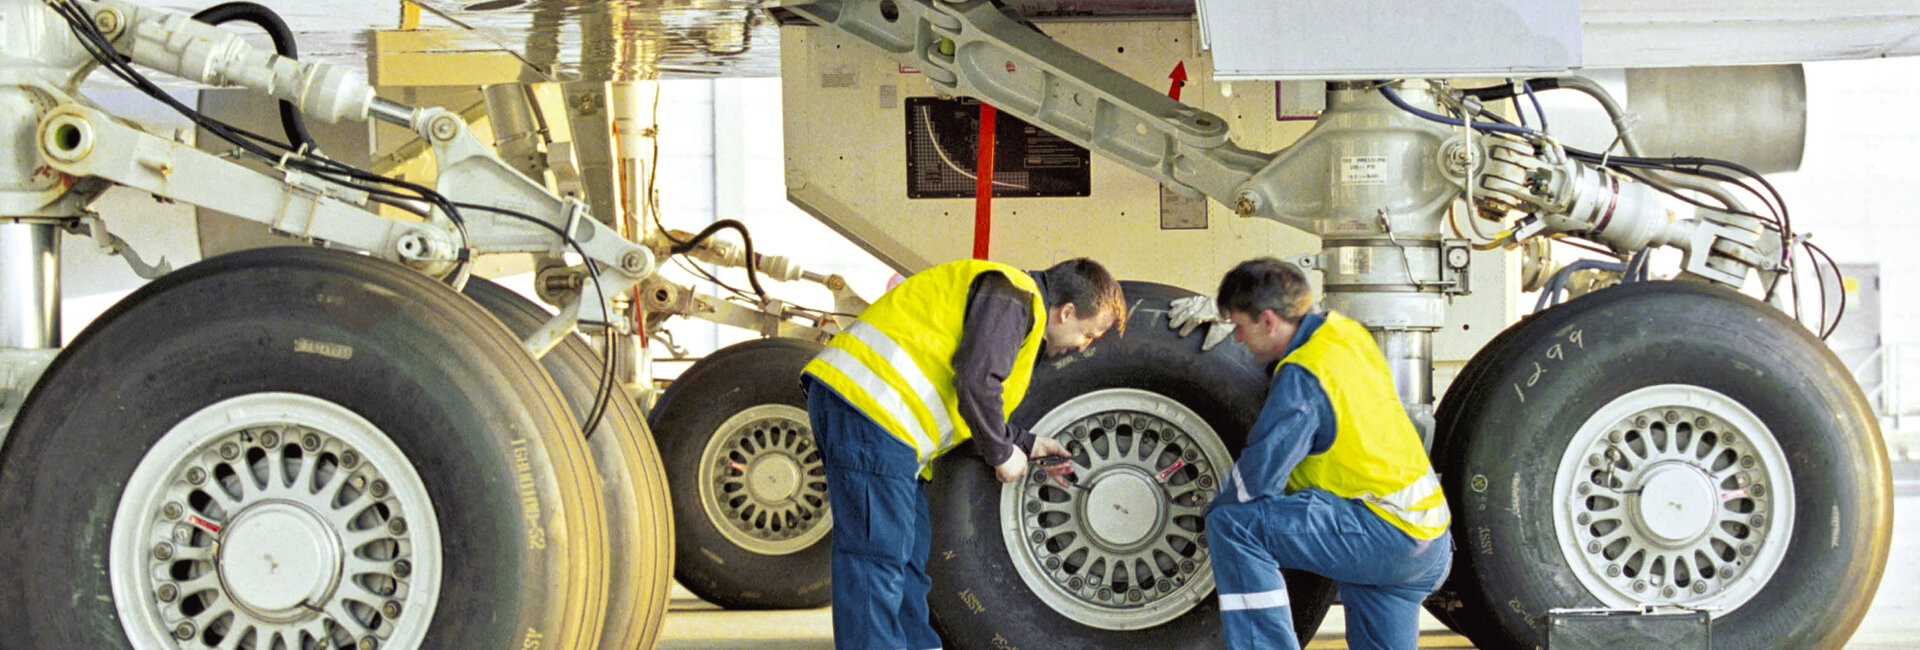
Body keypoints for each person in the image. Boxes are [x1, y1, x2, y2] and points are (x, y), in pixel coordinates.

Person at [800, 257, 1127, 649]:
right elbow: (975, 382)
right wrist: (1001, 454)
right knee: (876, 558)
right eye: (1088, 334)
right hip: (871, 410)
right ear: (1067, 311)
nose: (1083, 345)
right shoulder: (1013, 296)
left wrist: (1026, 444)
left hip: (886, 425)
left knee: (907, 560)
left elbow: (969, 402)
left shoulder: (1015, 310)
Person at [1183, 257, 1452, 650]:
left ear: (1269, 320)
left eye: (1239, 327)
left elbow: (1259, 476)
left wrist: (1210, 512)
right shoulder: (1344, 333)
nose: (1236, 339)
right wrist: (1222, 311)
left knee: (1233, 524)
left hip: (1383, 533)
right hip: (1426, 541)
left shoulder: (1304, 376)